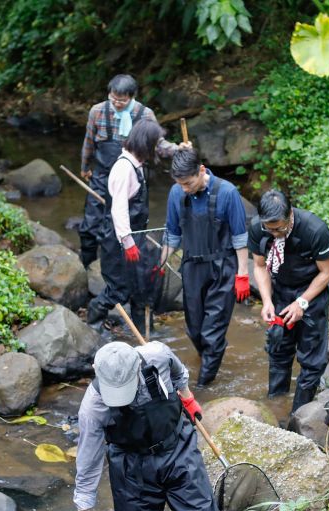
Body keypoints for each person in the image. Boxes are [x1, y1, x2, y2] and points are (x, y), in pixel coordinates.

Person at [66, 341, 224, 511]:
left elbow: (178, 372)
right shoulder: (93, 407)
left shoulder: (157, 355)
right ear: (96, 370)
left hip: (177, 448)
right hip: (133, 468)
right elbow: (88, 464)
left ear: (138, 364)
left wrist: (187, 398)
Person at [160, 148, 250, 387]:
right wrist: (159, 264)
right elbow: (172, 234)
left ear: (201, 171)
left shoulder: (228, 193)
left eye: (188, 183)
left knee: (212, 332)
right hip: (192, 267)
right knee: (195, 330)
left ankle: (203, 386)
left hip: (223, 268)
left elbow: (240, 237)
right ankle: (209, 356)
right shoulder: (176, 193)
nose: (185, 189)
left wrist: (242, 274)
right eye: (180, 184)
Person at [77, 74, 186, 268]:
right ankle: (88, 267)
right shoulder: (98, 111)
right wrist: (85, 167)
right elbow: (89, 142)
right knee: (90, 227)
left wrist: (178, 149)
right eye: (113, 98)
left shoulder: (145, 114)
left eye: (122, 100)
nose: (117, 103)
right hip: (102, 177)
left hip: (133, 179)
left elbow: (158, 145)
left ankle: (126, 269)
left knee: (132, 227)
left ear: (132, 96)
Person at [248, 190, 329, 416]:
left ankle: (299, 416)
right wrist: (267, 301)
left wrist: (302, 303)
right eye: (270, 229)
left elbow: (327, 272)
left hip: (311, 292)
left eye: (280, 228)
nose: (275, 233)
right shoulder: (259, 227)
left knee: (311, 358)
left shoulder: (314, 229)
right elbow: (259, 266)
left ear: (290, 215)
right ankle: (275, 407)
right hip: (280, 289)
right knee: (278, 349)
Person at [85, 119, 164, 334]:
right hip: (118, 240)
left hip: (133, 237)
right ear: (145, 144)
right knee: (119, 289)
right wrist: (128, 243)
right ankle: (92, 325)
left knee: (140, 287)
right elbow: (118, 209)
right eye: (155, 144)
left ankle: (146, 335)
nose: (156, 149)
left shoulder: (135, 165)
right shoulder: (123, 169)